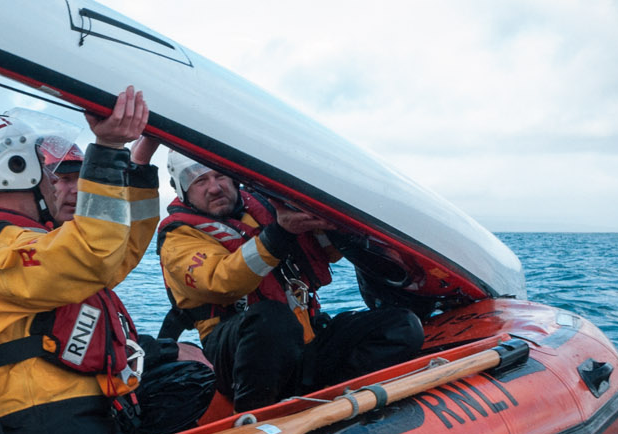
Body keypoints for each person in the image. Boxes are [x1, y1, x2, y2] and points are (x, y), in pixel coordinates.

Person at [0, 89, 214, 434]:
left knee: (190, 377)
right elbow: (95, 254)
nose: (53, 181)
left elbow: (117, 253)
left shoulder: (25, 238)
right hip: (50, 431)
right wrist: (109, 148)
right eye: (47, 171)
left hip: (85, 410)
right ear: (16, 169)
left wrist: (140, 163)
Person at [157, 153, 424, 412]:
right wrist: (279, 233)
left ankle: (330, 397)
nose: (214, 187)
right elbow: (222, 280)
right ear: (182, 190)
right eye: (199, 181)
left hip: (305, 339)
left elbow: (325, 252)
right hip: (240, 352)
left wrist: (335, 225)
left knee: (402, 325)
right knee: (271, 318)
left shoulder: (269, 206)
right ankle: (257, 414)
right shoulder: (178, 236)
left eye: (220, 176)